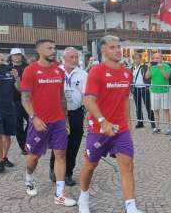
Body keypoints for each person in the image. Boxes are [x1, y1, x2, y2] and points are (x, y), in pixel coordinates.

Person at [78, 35, 144, 213]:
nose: (117, 50)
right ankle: (83, 197)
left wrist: (128, 122)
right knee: (90, 165)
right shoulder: (96, 72)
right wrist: (102, 121)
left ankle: (131, 207)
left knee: (128, 165)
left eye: (119, 46)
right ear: (103, 50)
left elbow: (124, 99)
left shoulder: (126, 73)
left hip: (120, 129)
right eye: (112, 47)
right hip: (99, 128)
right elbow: (88, 100)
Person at [20, 38, 76, 207]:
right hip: (39, 122)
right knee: (33, 159)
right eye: (49, 48)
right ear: (40, 51)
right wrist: (34, 118)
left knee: (60, 155)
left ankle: (59, 194)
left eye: (54, 48)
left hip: (58, 121)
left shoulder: (59, 72)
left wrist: (65, 120)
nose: (53, 51)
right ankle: (29, 178)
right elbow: (25, 99)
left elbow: (62, 98)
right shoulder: (30, 70)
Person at [49, 47, 87, 187]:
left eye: (76, 57)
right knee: (59, 143)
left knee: (74, 143)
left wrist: (88, 112)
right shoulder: (55, 72)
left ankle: (68, 172)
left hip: (75, 112)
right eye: (71, 57)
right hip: (58, 113)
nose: (75, 60)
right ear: (63, 59)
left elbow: (86, 94)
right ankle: (54, 168)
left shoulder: (83, 74)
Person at [8, 48, 29, 155]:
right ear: (11, 57)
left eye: (19, 55)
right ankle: (23, 147)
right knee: (18, 125)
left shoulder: (27, 67)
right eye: (15, 55)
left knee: (32, 121)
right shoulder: (8, 68)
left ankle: (28, 142)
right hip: (14, 100)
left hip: (27, 99)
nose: (17, 57)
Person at [145, 53, 171, 135]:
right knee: (155, 110)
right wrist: (149, 68)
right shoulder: (152, 67)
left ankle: (168, 128)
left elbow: (167, 77)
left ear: (161, 58)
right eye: (154, 58)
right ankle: (157, 127)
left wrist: (161, 68)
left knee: (166, 109)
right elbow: (147, 77)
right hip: (154, 91)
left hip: (164, 91)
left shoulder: (166, 66)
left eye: (157, 58)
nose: (156, 60)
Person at [130, 53, 154, 129]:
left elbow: (148, 76)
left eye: (138, 58)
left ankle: (152, 122)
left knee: (148, 105)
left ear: (141, 59)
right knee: (138, 106)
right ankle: (140, 122)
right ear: (133, 59)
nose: (137, 60)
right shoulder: (131, 68)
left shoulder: (144, 67)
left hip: (144, 88)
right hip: (135, 88)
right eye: (135, 58)